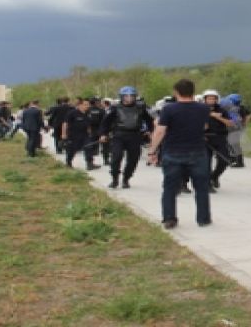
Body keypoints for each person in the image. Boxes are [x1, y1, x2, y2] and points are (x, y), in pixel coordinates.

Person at [147, 78, 213, 229]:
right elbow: (205, 126)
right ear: (193, 92)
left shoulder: (169, 109)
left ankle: (169, 218)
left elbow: (160, 131)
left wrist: (152, 150)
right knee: (201, 187)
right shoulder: (203, 109)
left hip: (173, 152)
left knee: (170, 188)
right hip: (198, 152)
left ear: (176, 92)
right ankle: (203, 218)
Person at [99, 86, 154, 189]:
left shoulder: (140, 108)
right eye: (126, 96)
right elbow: (105, 122)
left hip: (135, 136)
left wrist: (149, 131)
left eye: (131, 96)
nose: (129, 98)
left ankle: (126, 179)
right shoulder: (115, 108)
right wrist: (103, 134)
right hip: (119, 135)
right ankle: (115, 179)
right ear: (122, 97)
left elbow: (149, 120)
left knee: (133, 159)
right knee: (116, 157)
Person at [202, 90, 234, 192]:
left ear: (216, 99)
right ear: (205, 99)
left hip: (220, 137)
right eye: (209, 98)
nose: (211, 100)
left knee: (225, 160)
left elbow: (230, 123)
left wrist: (218, 118)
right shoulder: (200, 109)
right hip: (205, 138)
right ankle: (207, 185)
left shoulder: (222, 110)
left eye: (213, 98)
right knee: (206, 163)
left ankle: (214, 176)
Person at [62, 99, 99, 170]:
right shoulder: (72, 113)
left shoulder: (88, 113)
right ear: (79, 105)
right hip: (73, 135)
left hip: (85, 135)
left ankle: (90, 164)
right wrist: (63, 134)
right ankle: (68, 163)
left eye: (88, 105)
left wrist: (90, 132)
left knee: (88, 147)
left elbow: (88, 124)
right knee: (72, 150)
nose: (87, 106)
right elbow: (65, 123)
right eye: (85, 105)